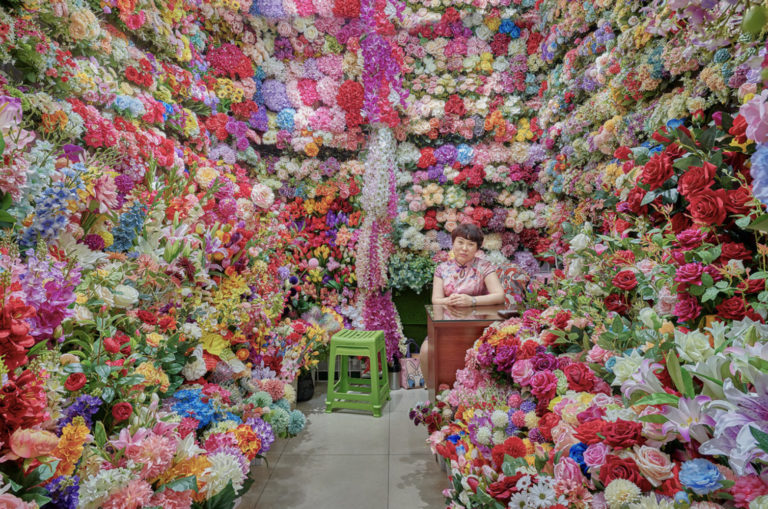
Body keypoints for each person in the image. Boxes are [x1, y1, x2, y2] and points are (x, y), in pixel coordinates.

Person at [419, 223, 505, 381]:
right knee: (425, 351)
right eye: (460, 242)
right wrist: (448, 300)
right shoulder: (442, 269)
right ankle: (433, 388)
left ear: (478, 248)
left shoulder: (484, 267)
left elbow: (499, 295)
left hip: (478, 327)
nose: (464, 248)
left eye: (470, 244)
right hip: (446, 326)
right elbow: (435, 300)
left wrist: (471, 300)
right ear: (453, 243)